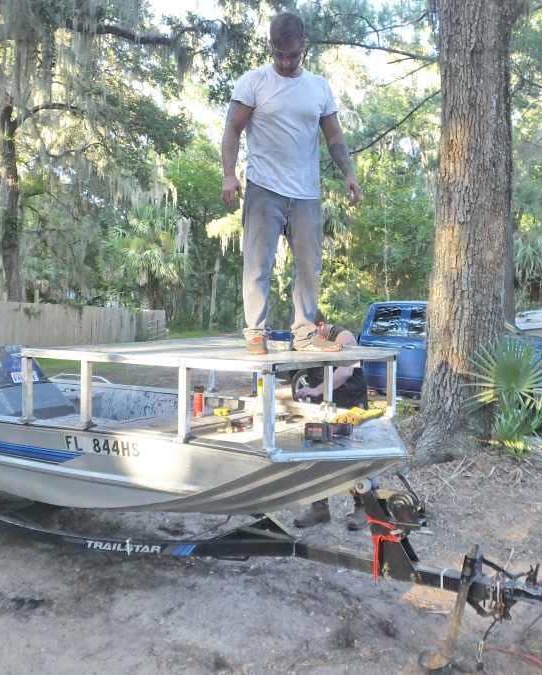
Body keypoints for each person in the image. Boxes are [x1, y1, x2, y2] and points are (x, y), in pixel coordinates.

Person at [220, 12, 361, 355]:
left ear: (304, 48)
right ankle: (256, 332)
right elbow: (232, 129)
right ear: (270, 47)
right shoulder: (253, 83)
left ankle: (305, 334)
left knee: (310, 266)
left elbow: (334, 136)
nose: (284, 62)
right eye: (278, 54)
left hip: (306, 193)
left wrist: (349, 173)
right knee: (258, 262)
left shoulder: (318, 87)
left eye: (292, 55)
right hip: (263, 188)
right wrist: (228, 173)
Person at [292, 310, 369, 530]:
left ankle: (363, 508)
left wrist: (316, 390)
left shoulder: (344, 337)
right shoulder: (304, 340)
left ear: (321, 326)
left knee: (354, 459)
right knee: (316, 454)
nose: (306, 338)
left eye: (310, 333)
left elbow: (344, 372)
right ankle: (319, 508)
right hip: (323, 407)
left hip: (350, 404)